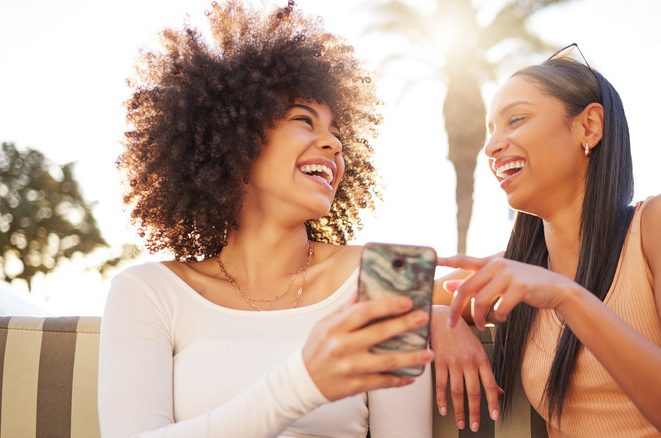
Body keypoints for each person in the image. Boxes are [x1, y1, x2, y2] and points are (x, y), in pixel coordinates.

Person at [97, 2, 435, 437]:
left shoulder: (388, 278)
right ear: (233, 140)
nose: (333, 145)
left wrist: (443, 316)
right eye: (304, 120)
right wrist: (303, 384)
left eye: (337, 133)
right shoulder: (148, 292)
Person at [435, 45, 661, 437]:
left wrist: (569, 298)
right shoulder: (519, 271)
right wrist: (438, 319)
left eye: (515, 119)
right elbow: (389, 295)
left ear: (589, 127)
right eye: (491, 130)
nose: (491, 147)